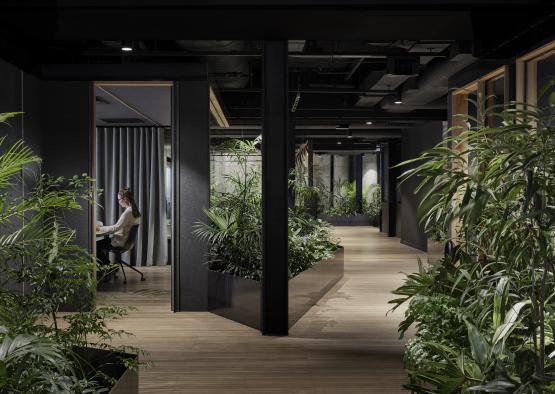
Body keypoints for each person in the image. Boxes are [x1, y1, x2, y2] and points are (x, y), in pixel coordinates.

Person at [96, 187, 141, 265]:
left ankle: (108, 268)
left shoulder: (128, 212)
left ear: (125, 198)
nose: (118, 202)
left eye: (119, 199)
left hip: (120, 242)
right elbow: (117, 227)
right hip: (127, 242)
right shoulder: (134, 210)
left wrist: (99, 228)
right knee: (101, 243)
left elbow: (116, 228)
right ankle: (108, 267)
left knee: (95, 246)